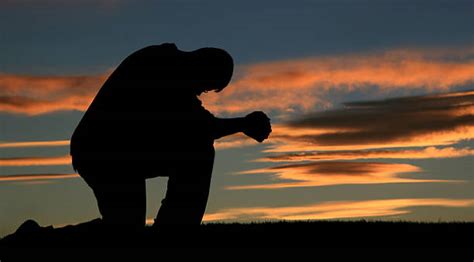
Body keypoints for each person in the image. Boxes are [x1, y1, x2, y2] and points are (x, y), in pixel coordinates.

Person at [70, 43, 272, 232]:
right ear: (202, 67)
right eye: (207, 85)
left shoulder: (170, 65)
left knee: (126, 225)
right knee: (198, 150)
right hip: (104, 152)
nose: (202, 92)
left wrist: (243, 124)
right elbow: (201, 126)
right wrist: (244, 124)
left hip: (123, 152)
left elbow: (197, 126)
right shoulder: (164, 66)